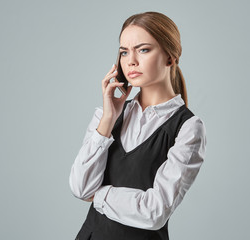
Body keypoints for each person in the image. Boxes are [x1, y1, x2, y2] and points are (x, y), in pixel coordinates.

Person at [69, 12, 207, 240]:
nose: (131, 60)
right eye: (124, 52)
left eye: (143, 49)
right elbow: (80, 187)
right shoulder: (109, 115)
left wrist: (99, 195)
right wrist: (108, 119)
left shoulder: (188, 128)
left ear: (170, 58)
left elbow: (154, 212)